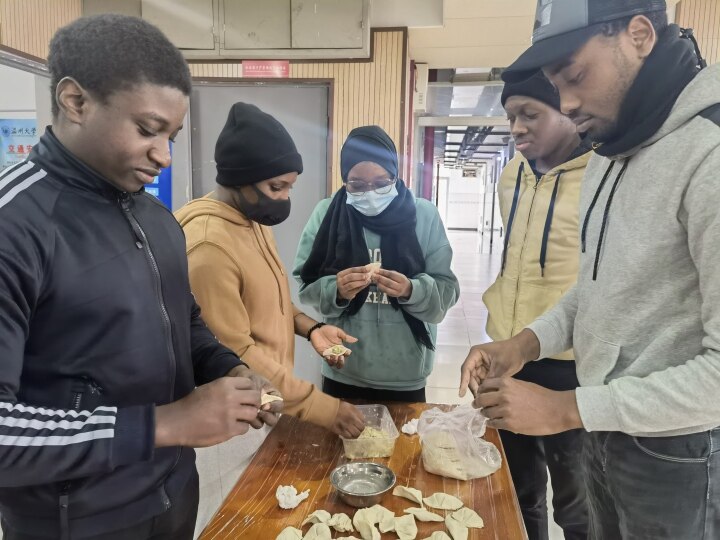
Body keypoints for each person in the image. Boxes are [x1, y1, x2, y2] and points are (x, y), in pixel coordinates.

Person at [0, 15, 281, 540]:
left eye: (171, 135)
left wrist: (229, 368)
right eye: (148, 130)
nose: (164, 156)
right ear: (75, 101)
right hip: (76, 519)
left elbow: (184, 319)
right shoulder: (15, 225)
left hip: (172, 493)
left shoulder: (155, 218)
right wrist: (165, 423)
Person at [459, 1, 720, 538]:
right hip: (607, 426)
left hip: (681, 451)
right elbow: (598, 287)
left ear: (639, 35)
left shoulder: (708, 152)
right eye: (556, 85)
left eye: (575, 76)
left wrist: (566, 409)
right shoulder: (609, 151)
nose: (567, 102)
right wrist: (525, 343)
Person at [175, 102, 366, 439]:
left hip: (270, 399)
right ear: (240, 180)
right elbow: (233, 355)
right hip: (239, 414)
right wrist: (323, 408)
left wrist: (311, 328)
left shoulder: (253, 221)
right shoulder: (209, 248)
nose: (285, 199)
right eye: (276, 187)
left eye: (290, 187)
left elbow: (267, 303)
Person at [481, 71, 592, 540]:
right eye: (511, 116)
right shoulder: (513, 174)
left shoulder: (600, 175)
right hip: (510, 350)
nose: (517, 128)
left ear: (567, 111)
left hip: (569, 360)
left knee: (577, 502)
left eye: (530, 114)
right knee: (517, 486)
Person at [294, 126, 459, 402]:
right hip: (344, 367)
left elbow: (447, 292)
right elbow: (306, 285)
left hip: (406, 371)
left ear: (395, 175)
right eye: (357, 185)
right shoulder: (327, 214)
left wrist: (411, 290)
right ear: (344, 180)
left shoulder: (423, 215)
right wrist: (336, 290)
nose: (370, 194)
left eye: (382, 183)